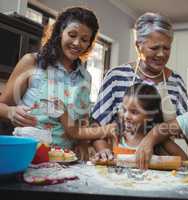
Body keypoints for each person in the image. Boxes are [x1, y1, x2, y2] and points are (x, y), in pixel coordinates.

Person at [0, 7, 117, 156]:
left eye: (84, 39)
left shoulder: (85, 77)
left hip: (66, 158)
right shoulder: (32, 62)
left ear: (89, 44)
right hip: (29, 155)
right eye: (72, 35)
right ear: (60, 33)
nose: (77, 43)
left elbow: (82, 122)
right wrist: (10, 111)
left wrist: (82, 143)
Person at [91, 12, 188, 127]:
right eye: (154, 48)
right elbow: (97, 124)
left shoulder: (176, 81)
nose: (161, 54)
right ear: (138, 46)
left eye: (166, 48)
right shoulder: (116, 76)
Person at [92, 83, 188, 162]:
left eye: (134, 112)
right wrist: (103, 149)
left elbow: (184, 160)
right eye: (124, 110)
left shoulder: (158, 139)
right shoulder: (117, 132)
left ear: (150, 116)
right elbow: (90, 134)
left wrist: (162, 160)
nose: (126, 116)